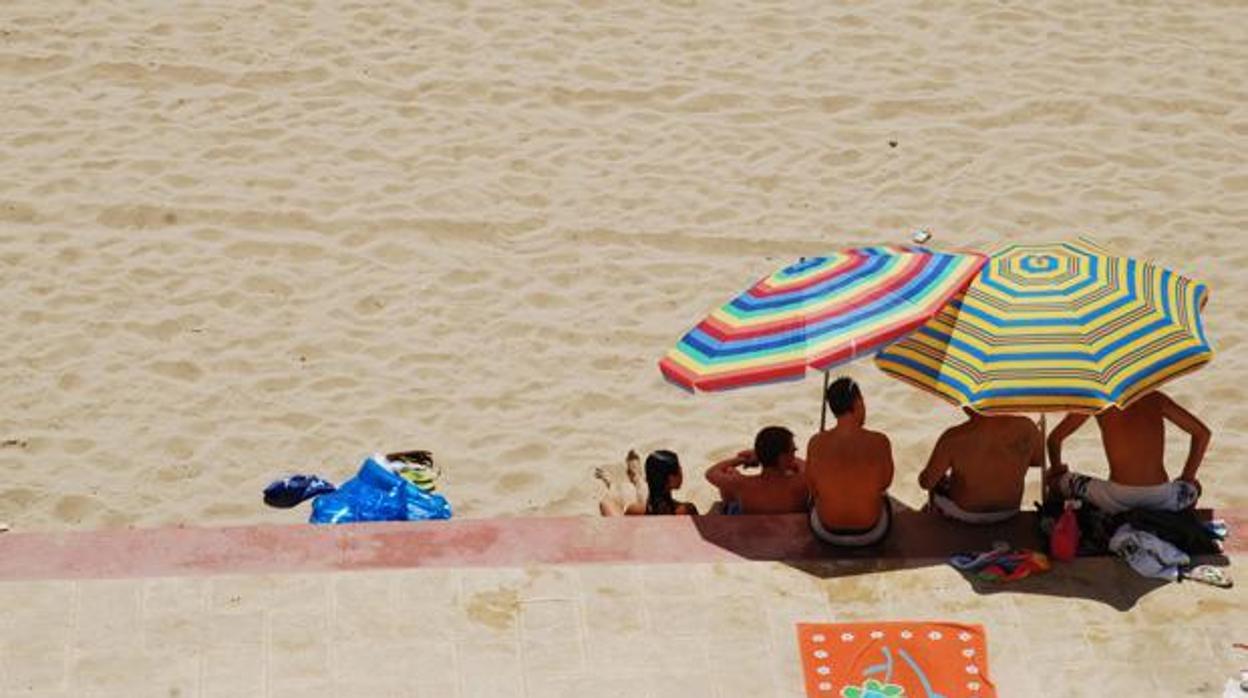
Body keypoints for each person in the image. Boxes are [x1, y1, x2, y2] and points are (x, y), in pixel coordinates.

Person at [1046, 391, 1210, 514]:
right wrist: (1187, 477)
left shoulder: (1099, 401)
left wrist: (1057, 470)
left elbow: (1054, 440)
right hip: (1161, 497)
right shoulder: (1155, 398)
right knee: (1194, 487)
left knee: (1059, 482)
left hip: (1116, 498)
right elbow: (1202, 433)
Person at [805, 377, 894, 545]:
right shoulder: (880, 441)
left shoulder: (816, 442)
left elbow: (812, 489)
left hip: (826, 531)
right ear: (857, 402)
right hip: (872, 532)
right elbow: (885, 484)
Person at [918, 408, 1043, 524]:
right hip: (1009, 511)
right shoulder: (1028, 427)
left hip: (965, 513)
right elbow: (1038, 461)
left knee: (937, 485)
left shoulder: (953, 437)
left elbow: (927, 482)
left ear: (968, 406)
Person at [704, 426, 809, 514]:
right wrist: (792, 462)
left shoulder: (743, 484)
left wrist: (741, 460)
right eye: (793, 451)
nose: (794, 455)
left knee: (729, 472)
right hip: (788, 532)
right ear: (783, 457)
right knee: (793, 471)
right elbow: (806, 466)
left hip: (751, 529)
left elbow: (711, 472)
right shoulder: (801, 482)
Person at [596, 449, 698, 516]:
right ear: (671, 479)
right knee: (639, 495)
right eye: (679, 469)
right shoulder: (687, 511)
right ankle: (635, 476)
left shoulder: (634, 510)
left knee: (609, 501)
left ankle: (623, 480)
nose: (681, 470)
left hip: (643, 512)